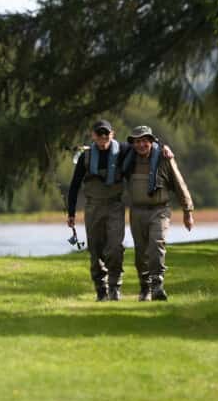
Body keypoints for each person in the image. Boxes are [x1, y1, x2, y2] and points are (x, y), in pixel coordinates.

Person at [66, 120, 171, 301]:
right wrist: (71, 213)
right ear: (93, 136)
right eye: (99, 134)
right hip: (93, 207)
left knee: (115, 248)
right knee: (95, 249)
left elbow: (144, 143)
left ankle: (115, 287)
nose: (103, 137)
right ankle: (101, 288)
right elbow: (74, 185)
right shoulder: (86, 157)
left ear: (112, 134)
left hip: (115, 206)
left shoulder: (123, 150)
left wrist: (163, 147)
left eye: (106, 134)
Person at [125, 125, 194, 301]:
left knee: (156, 245)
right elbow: (108, 147)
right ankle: (144, 287)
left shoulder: (164, 159)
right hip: (137, 212)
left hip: (159, 210)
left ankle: (157, 286)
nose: (141, 145)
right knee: (141, 252)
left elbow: (180, 185)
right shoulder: (128, 160)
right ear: (133, 144)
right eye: (137, 141)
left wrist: (188, 211)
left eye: (145, 141)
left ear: (152, 141)